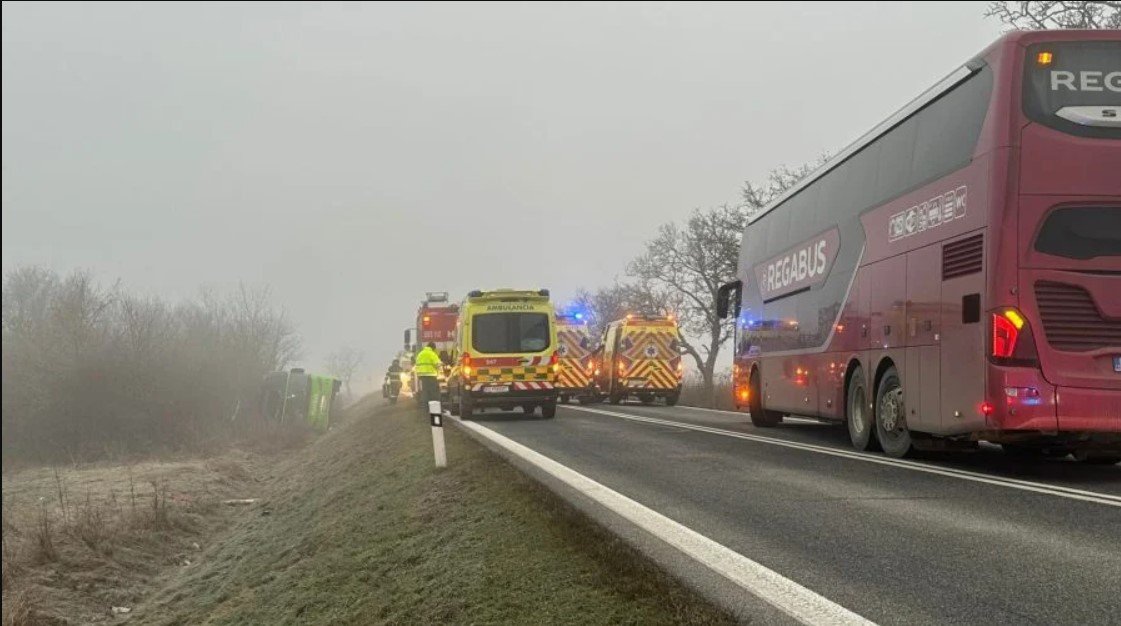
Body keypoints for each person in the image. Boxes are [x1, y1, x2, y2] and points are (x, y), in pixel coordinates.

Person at [413, 342, 442, 412]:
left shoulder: (420, 354)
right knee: (434, 393)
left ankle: (425, 408)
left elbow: (416, 365)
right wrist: (441, 366)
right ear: (433, 348)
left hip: (421, 377)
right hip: (431, 376)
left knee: (424, 392)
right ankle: (435, 410)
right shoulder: (431, 354)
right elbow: (437, 364)